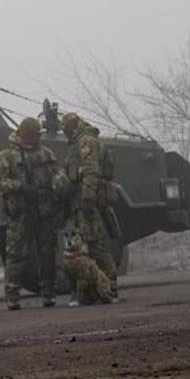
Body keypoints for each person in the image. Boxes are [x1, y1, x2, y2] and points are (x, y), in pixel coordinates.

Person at [0, 116, 67, 310]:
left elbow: (58, 175)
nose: (35, 138)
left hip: (45, 210)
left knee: (47, 254)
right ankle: (12, 296)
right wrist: (21, 187)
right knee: (16, 255)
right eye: (32, 135)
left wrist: (60, 190)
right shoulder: (7, 155)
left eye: (36, 135)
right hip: (20, 212)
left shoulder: (45, 153)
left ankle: (49, 294)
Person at [60, 112, 119, 301]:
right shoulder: (81, 141)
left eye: (65, 128)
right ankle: (95, 292)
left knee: (97, 246)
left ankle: (110, 288)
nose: (65, 132)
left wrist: (87, 199)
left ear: (72, 126)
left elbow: (91, 171)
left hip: (89, 203)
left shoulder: (85, 141)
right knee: (89, 247)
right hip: (84, 201)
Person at [64, 235, 114, 306]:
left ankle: (80, 299)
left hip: (97, 286)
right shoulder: (67, 258)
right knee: (73, 280)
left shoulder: (82, 258)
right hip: (88, 288)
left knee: (85, 280)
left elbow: (83, 280)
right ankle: (79, 298)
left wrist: (77, 299)